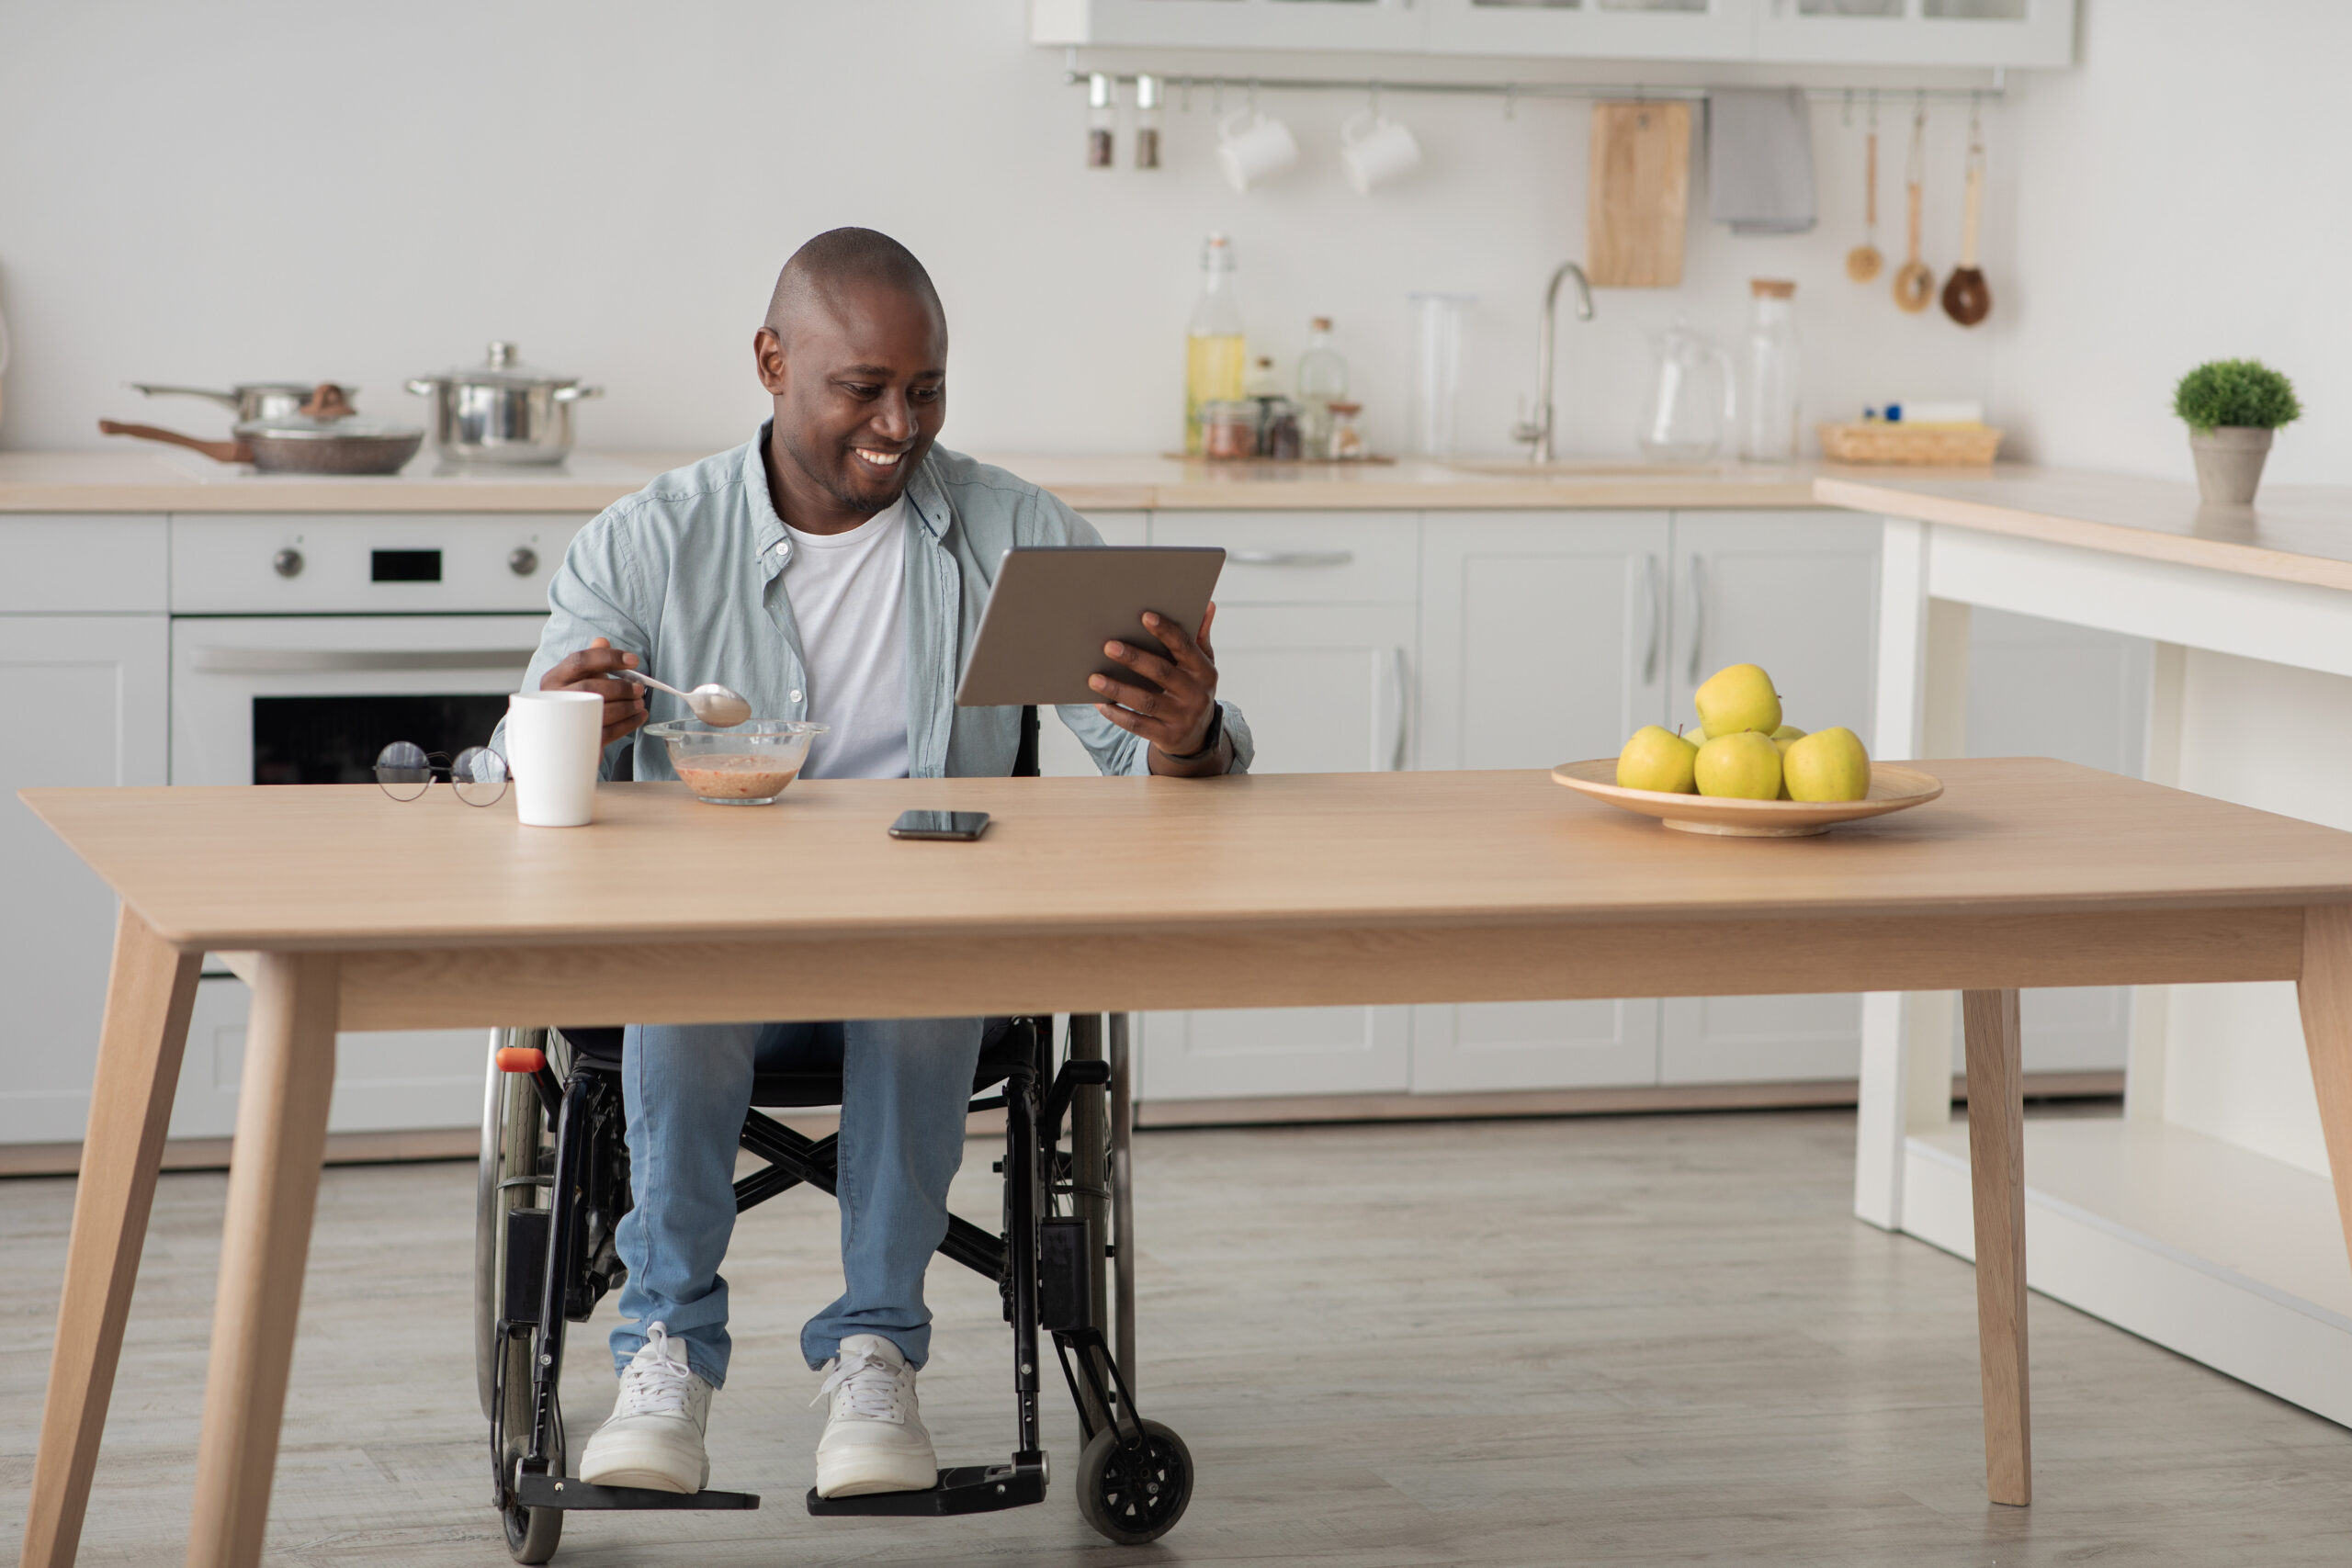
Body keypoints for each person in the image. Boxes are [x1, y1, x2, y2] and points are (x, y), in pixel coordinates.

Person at [512, 228, 1253, 1500]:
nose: (899, 423)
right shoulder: (649, 545)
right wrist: (567, 727)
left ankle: (875, 1356)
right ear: (771, 361)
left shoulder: (1015, 536)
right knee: (694, 959)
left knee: (929, 949)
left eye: (927, 388)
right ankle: (666, 1355)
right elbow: (525, 760)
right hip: (707, 952)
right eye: (863, 387)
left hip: (924, 957)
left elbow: (1163, 779)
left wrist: (1185, 732)